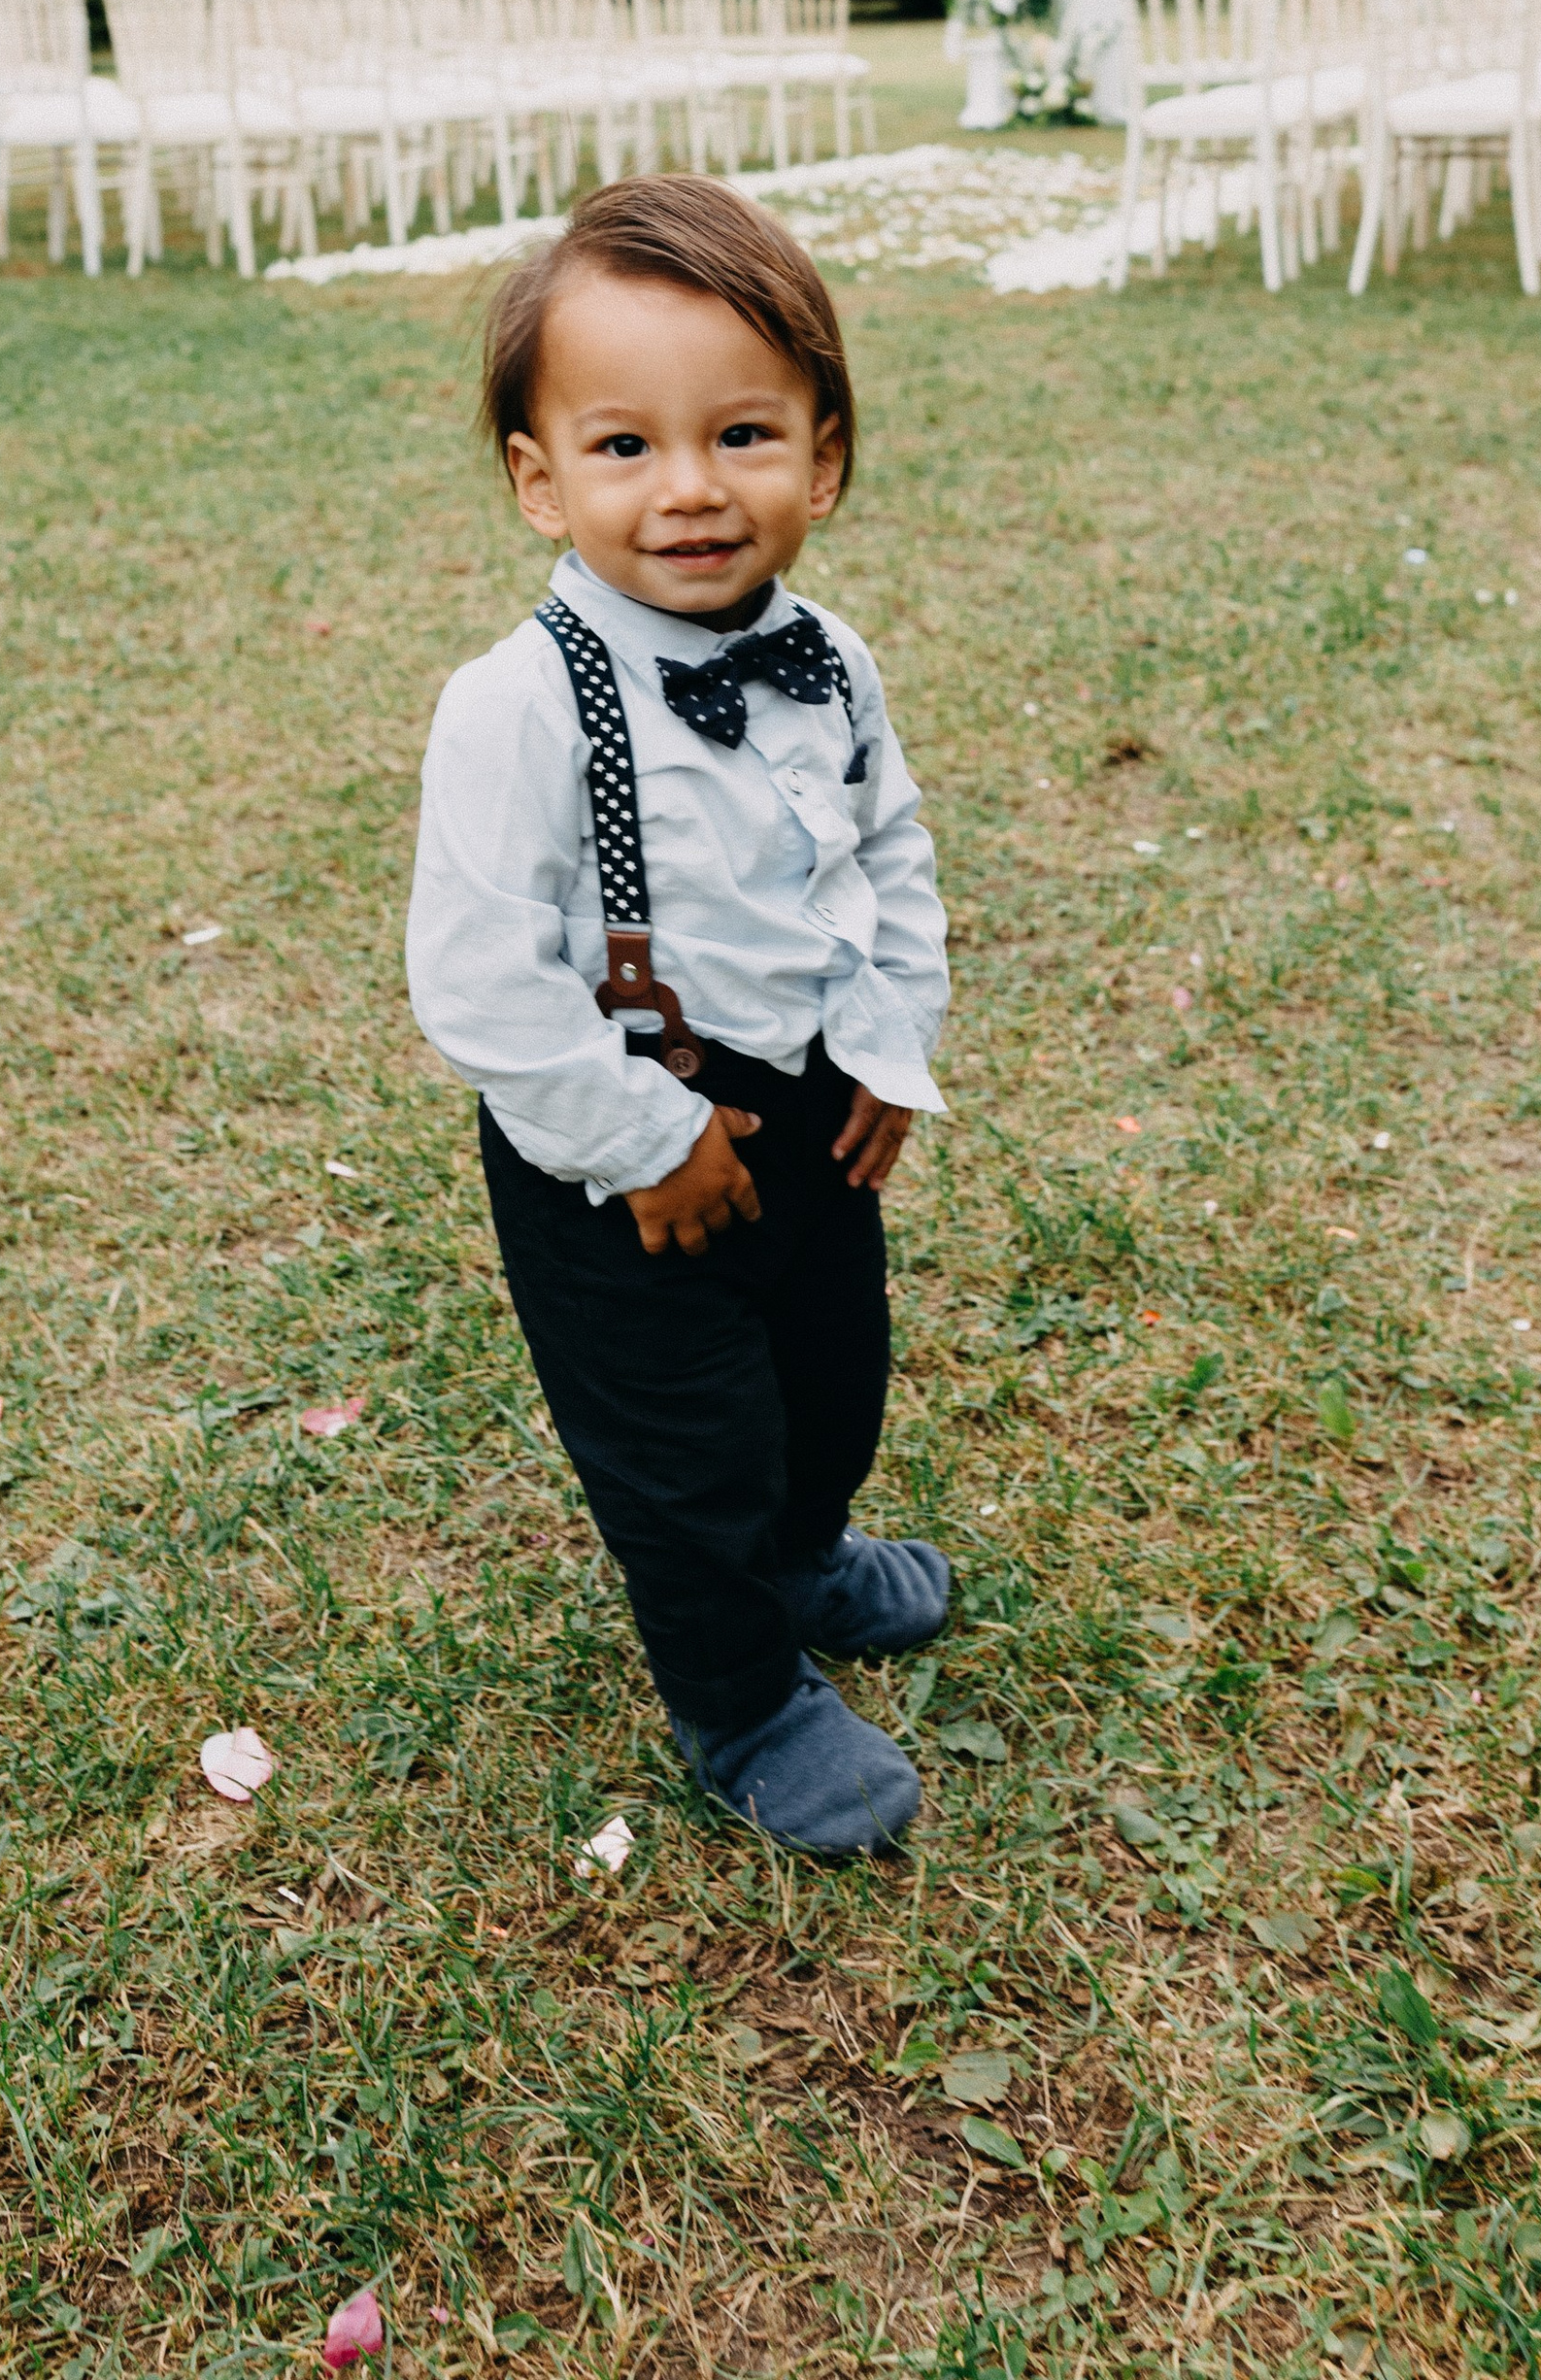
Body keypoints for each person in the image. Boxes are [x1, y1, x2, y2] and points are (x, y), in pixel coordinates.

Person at [407, 175, 950, 1856]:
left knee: (829, 1374)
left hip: (804, 1112)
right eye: (625, 446)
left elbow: (885, 851)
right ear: (538, 477)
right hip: (618, 1149)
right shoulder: (513, 710)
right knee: (685, 1445)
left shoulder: (831, 659)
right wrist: (643, 1141)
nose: (692, 490)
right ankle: (741, 1695)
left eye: (744, 435)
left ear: (826, 456)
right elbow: (485, 980)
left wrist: (888, 1042)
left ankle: (803, 1558)